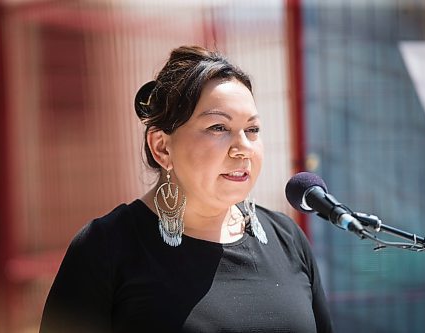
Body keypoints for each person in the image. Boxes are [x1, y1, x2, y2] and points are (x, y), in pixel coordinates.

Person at [39, 45, 333, 333]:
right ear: (162, 147)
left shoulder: (287, 238)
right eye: (218, 127)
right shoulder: (106, 248)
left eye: (252, 129)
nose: (243, 147)